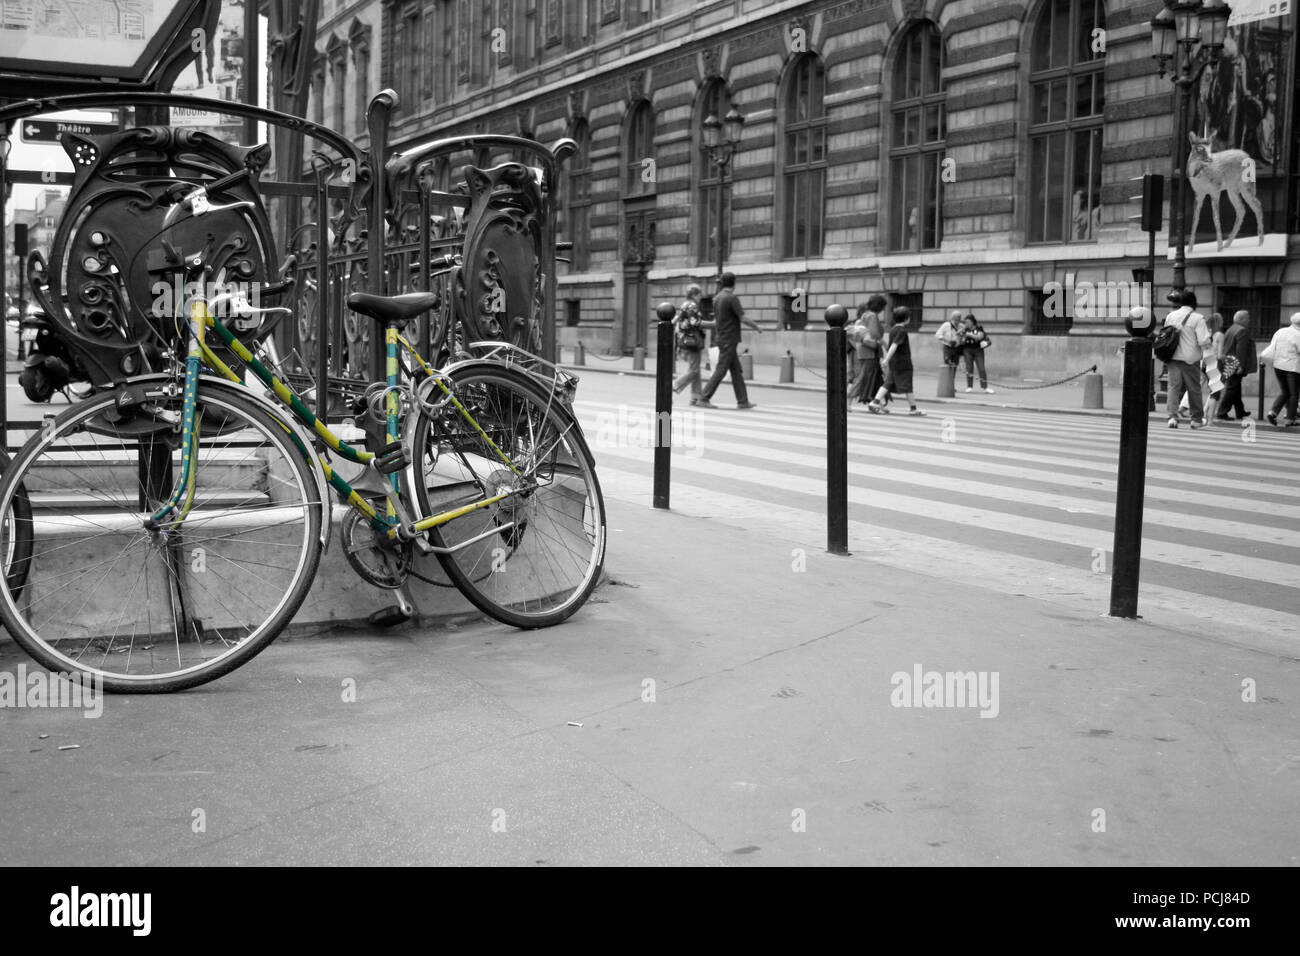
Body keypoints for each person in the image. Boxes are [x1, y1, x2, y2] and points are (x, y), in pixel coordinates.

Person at [697, 272, 762, 410]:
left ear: (721, 283)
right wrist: (757, 327)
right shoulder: (731, 298)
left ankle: (743, 401)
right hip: (729, 339)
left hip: (722, 337)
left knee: (736, 371)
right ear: (734, 283)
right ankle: (704, 397)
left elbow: (716, 321)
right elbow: (743, 318)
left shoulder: (717, 298)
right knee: (721, 369)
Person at [1162, 289, 1211, 429]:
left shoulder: (1171, 316)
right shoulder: (1198, 318)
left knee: (1173, 387)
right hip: (1190, 358)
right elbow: (1203, 341)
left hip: (1172, 356)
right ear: (1194, 302)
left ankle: (1172, 418)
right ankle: (1196, 419)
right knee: (1194, 388)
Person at [868, 306, 925, 416]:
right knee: (908, 385)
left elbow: (891, 345)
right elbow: (894, 345)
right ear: (906, 318)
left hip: (894, 362)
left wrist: (887, 360)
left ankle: (875, 402)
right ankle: (913, 409)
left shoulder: (893, 329)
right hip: (903, 363)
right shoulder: (902, 330)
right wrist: (886, 359)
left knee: (888, 383)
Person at [671, 284, 713, 406]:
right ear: (694, 295)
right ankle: (674, 386)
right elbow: (696, 323)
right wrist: (714, 324)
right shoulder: (692, 305)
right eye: (699, 294)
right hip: (692, 341)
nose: (701, 297)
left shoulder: (685, 304)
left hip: (686, 340)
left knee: (696, 369)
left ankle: (696, 397)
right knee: (694, 370)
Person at [1216, 310, 1257, 421]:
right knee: (1232, 388)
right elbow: (1241, 350)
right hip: (1234, 363)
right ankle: (1222, 412)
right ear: (1242, 319)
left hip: (1228, 361)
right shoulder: (1242, 330)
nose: (1249, 320)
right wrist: (1241, 365)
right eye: (1248, 318)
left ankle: (1240, 411)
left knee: (1236, 387)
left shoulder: (1231, 328)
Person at [1261, 312, 1300, 427]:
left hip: (1278, 366)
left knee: (1285, 391)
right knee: (1294, 394)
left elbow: (1273, 347)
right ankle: (1289, 419)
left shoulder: (1280, 331)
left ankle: (1272, 413)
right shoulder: (1298, 334)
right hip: (1292, 367)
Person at [848, 296, 886, 410]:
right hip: (870, 352)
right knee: (864, 377)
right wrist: (883, 343)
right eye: (883, 306)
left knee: (875, 378)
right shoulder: (872, 316)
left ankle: (875, 403)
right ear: (879, 306)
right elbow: (874, 333)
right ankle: (848, 400)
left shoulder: (865, 314)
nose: (884, 309)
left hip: (863, 350)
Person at [959, 313, 994, 393]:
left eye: (967, 322)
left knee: (981, 368)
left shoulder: (979, 328)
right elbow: (961, 340)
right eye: (965, 322)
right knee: (969, 368)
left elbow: (979, 337)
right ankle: (969, 386)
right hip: (967, 350)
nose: (966, 324)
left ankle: (985, 387)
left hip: (978, 350)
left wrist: (969, 335)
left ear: (972, 322)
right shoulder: (964, 329)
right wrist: (962, 337)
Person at [1201, 312, 1225, 422]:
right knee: (1215, 393)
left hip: (1205, 363)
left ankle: (1205, 414)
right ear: (1219, 323)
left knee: (1212, 391)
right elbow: (1220, 355)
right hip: (1214, 363)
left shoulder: (1206, 335)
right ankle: (1210, 420)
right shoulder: (1220, 335)